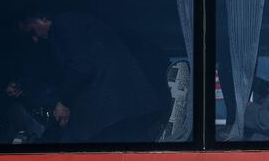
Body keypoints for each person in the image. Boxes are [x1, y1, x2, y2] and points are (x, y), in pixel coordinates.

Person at [17, 9, 165, 143]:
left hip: (111, 111)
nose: (35, 39)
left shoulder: (63, 24)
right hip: (125, 108)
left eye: (32, 31)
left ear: (41, 18)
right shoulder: (80, 24)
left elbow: (80, 67)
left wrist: (63, 103)